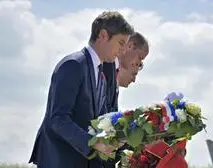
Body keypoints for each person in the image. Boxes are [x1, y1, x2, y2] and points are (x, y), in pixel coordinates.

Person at [28, 11, 134, 168]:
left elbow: (102, 117)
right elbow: (58, 119)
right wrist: (93, 143)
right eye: (120, 43)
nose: (123, 50)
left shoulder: (105, 70)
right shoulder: (73, 65)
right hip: (60, 159)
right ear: (103, 35)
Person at [102, 32, 149, 168]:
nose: (138, 63)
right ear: (130, 46)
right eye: (140, 57)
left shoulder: (112, 80)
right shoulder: (104, 71)